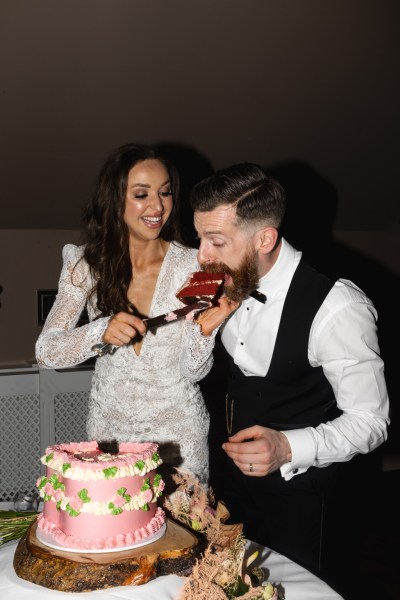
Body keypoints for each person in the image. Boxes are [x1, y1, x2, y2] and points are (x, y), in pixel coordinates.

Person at [187, 162, 390, 598]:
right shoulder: (227, 277)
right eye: (200, 237)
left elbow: (372, 422)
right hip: (233, 485)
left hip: (304, 497)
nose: (201, 254)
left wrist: (287, 447)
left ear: (265, 239)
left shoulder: (338, 308)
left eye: (216, 241)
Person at [35, 143, 216, 487]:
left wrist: (203, 330)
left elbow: (196, 370)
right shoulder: (84, 264)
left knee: (180, 537)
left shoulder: (198, 266)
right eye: (141, 194)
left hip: (179, 439)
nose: (157, 206)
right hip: (110, 436)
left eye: (165, 193)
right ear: (115, 199)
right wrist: (98, 332)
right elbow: (46, 352)